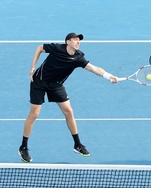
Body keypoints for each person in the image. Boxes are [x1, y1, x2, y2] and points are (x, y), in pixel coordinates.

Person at [18, 33, 119, 162]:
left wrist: (109, 76)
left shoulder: (78, 58)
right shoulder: (57, 48)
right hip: (39, 81)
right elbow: (39, 48)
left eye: (79, 40)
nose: (78, 42)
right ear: (68, 42)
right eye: (75, 40)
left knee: (68, 112)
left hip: (56, 85)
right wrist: (32, 67)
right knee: (34, 113)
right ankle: (23, 147)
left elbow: (93, 68)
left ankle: (77, 145)